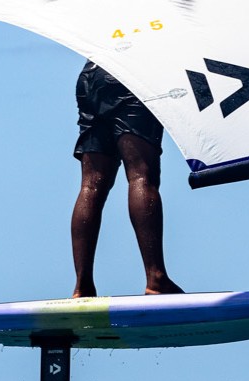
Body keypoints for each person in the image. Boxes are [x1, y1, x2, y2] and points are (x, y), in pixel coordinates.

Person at [71, 60, 184, 299]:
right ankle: (156, 278)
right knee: (142, 176)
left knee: (91, 184)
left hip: (90, 76)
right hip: (131, 72)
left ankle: (82, 286)